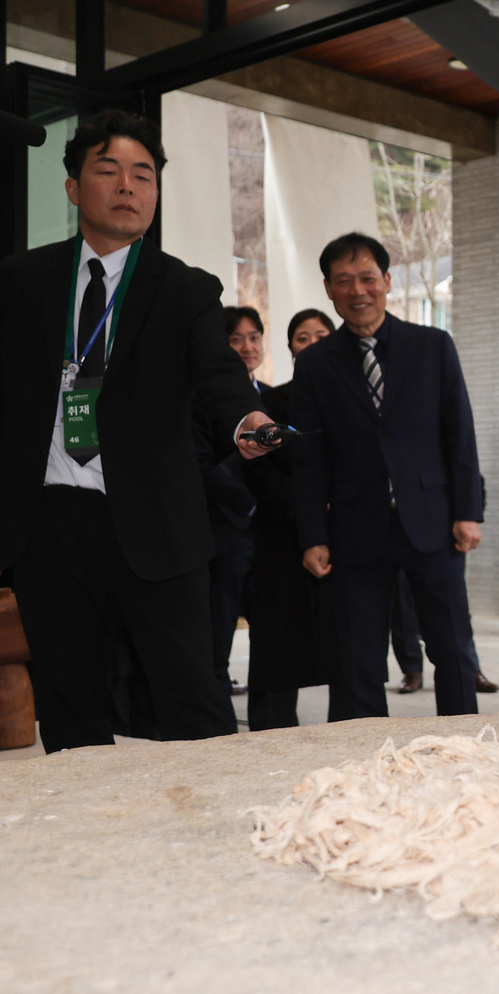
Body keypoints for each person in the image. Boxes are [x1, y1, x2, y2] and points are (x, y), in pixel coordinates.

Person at [0, 109, 276, 752]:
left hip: (154, 523)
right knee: (69, 706)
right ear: (73, 188)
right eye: (109, 170)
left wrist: (249, 418)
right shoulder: (19, 282)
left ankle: (211, 811)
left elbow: (218, 374)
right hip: (47, 526)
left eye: (143, 174)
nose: (128, 185)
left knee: (191, 703)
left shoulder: (184, 289)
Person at [292, 232, 484, 720]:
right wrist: (313, 535)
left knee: (453, 649)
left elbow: (459, 433)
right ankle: (365, 754)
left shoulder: (432, 346)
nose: (357, 291)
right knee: (357, 660)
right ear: (328, 289)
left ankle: (465, 748)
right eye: (344, 281)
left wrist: (468, 512)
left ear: (387, 281)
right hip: (355, 530)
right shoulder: (315, 364)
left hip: (433, 523)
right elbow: (308, 458)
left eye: (367, 278)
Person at [242, 308, 339, 730]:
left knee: (348, 654)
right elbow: (258, 471)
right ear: (290, 348)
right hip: (282, 538)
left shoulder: (356, 401)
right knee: (278, 651)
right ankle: (270, 737)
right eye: (303, 337)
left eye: (322, 335)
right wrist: (311, 508)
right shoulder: (270, 404)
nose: (313, 343)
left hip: (344, 537)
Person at [196, 306, 268, 701]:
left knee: (272, 638)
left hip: (269, 537)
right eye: (236, 339)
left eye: (254, 337)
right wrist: (251, 504)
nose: (247, 346)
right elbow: (202, 465)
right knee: (218, 635)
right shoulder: (204, 402)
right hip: (224, 533)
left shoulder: (273, 397)